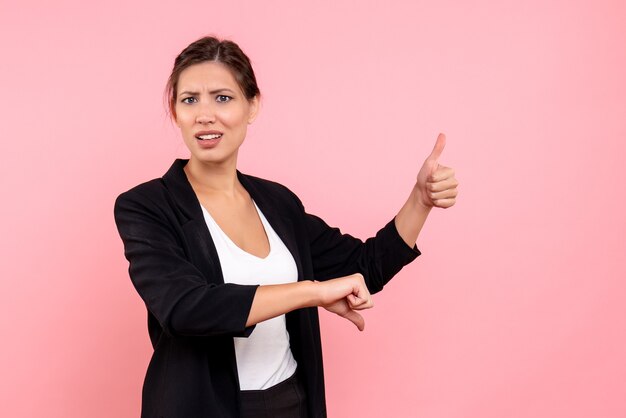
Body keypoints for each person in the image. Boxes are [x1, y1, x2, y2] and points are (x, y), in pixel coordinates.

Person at [113, 36, 458, 418]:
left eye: (223, 98)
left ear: (252, 105)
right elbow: (184, 308)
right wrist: (310, 292)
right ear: (174, 111)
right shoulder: (146, 206)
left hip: (288, 402)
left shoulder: (278, 203)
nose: (205, 114)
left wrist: (420, 200)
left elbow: (365, 265)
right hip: (199, 407)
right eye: (189, 99)